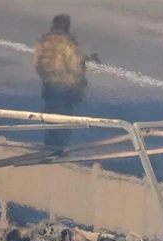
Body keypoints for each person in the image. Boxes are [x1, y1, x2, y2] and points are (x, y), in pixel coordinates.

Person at [34, 14, 95, 146]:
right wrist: (80, 81)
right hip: (66, 87)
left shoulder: (44, 41)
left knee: (50, 118)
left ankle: (49, 145)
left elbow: (38, 64)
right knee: (64, 120)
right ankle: (59, 149)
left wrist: (46, 77)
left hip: (49, 86)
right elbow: (75, 66)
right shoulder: (68, 43)